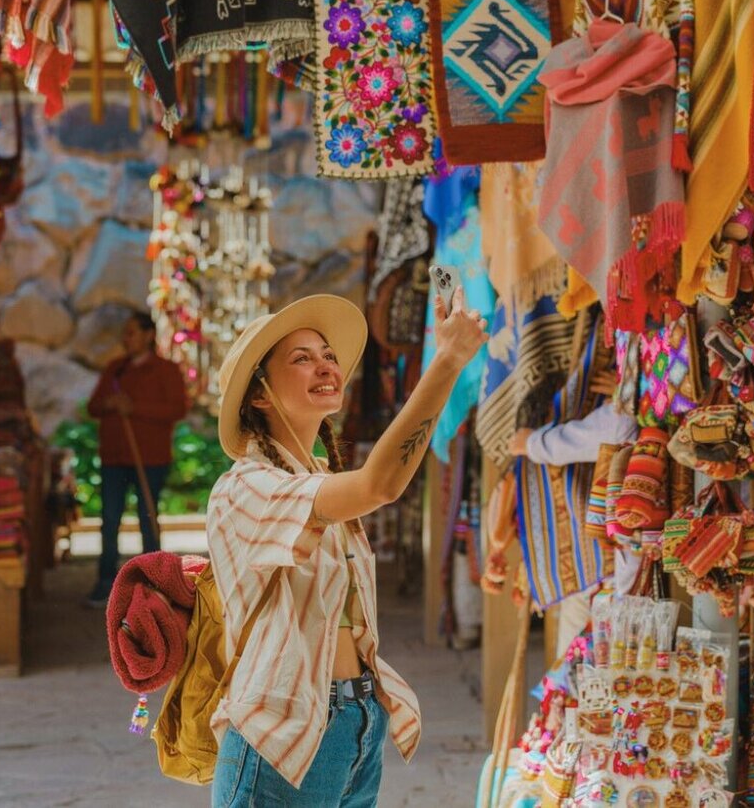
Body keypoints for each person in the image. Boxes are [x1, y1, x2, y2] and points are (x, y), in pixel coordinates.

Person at [206, 285, 486, 807]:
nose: (325, 366)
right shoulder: (244, 486)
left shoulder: (317, 478)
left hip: (356, 721)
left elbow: (379, 481)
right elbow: (380, 484)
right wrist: (446, 362)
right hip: (282, 731)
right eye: (302, 359)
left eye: (329, 356)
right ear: (260, 395)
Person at [86, 311, 189, 606]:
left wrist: (134, 407)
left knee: (147, 519)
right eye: (125, 333)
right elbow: (93, 407)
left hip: (150, 458)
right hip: (115, 458)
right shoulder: (115, 369)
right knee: (109, 520)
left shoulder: (165, 370)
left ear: (148, 335)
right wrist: (110, 403)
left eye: (131, 332)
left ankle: (155, 583)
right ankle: (106, 582)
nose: (125, 338)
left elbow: (176, 410)